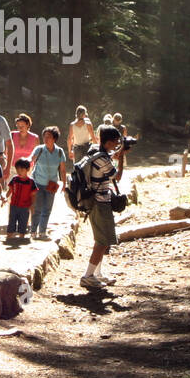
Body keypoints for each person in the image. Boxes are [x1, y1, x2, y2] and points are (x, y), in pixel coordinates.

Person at [79, 124, 128, 290]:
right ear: (107, 142)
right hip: (100, 203)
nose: (116, 144)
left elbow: (109, 156)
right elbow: (117, 176)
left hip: (99, 202)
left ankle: (97, 274)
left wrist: (119, 152)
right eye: (115, 142)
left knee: (104, 240)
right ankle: (87, 276)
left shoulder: (95, 152)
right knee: (102, 241)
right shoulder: (103, 159)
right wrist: (121, 158)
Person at [28, 125, 69, 238]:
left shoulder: (60, 152)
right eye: (44, 136)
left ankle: (42, 232)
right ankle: (33, 231)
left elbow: (63, 169)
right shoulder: (39, 149)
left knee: (47, 209)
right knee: (37, 208)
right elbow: (30, 160)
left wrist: (64, 184)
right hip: (37, 182)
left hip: (52, 184)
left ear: (54, 138)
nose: (46, 139)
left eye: (49, 137)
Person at [6, 158, 37, 237]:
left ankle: (21, 238)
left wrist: (32, 205)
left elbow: (33, 194)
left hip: (25, 206)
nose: (19, 172)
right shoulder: (14, 179)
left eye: (22, 170)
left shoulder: (31, 182)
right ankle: (9, 237)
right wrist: (5, 197)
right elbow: (10, 190)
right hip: (14, 205)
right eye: (17, 170)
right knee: (11, 221)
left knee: (23, 223)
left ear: (27, 169)